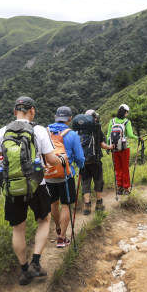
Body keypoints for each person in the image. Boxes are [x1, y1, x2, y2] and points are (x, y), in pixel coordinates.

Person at [0, 96, 62, 285]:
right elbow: (51, 159)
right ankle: (35, 263)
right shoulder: (38, 130)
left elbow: (0, 162)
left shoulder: (2, 131)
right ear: (32, 111)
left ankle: (23, 271)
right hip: (36, 185)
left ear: (14, 111)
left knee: (18, 229)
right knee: (44, 220)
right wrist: (63, 159)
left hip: (12, 188)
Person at [46, 106, 85, 248]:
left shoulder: (45, 131)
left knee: (53, 203)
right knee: (66, 204)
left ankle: (57, 228)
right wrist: (81, 165)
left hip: (48, 174)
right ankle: (62, 238)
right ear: (69, 119)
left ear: (55, 117)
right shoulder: (72, 134)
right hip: (65, 175)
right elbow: (80, 157)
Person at [80, 109, 111, 215]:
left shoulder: (79, 130)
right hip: (95, 161)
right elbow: (102, 145)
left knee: (85, 183)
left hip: (83, 162)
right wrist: (110, 147)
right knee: (98, 181)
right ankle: (99, 204)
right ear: (94, 118)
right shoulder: (97, 129)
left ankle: (87, 207)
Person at [109, 104, 141, 195]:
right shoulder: (127, 122)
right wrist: (138, 137)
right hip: (124, 148)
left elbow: (108, 136)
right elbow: (130, 135)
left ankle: (119, 187)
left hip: (114, 148)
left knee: (117, 168)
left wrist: (109, 147)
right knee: (125, 168)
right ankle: (126, 188)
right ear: (126, 112)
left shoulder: (112, 121)